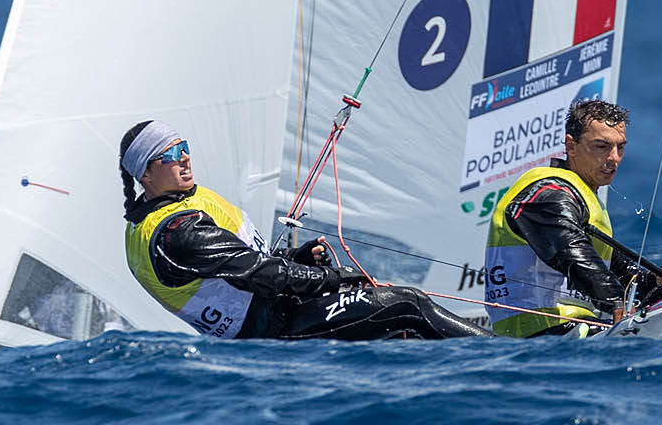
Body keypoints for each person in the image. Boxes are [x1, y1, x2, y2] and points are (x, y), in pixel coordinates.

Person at [119, 120, 489, 340]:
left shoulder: (179, 206)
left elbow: (242, 266)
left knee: (395, 322)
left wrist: (296, 258)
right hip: (275, 330)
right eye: (169, 154)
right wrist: (332, 278)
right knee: (407, 304)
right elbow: (260, 276)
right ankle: (505, 358)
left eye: (183, 147)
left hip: (277, 317)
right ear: (145, 174)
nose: (184, 157)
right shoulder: (176, 232)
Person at [484, 99, 662, 337]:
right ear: (571, 146)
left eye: (620, 148)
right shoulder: (547, 193)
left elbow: (621, 279)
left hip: (573, 334)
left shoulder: (584, 200)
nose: (614, 157)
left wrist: (658, 283)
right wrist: (617, 303)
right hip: (536, 341)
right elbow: (574, 255)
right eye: (601, 146)